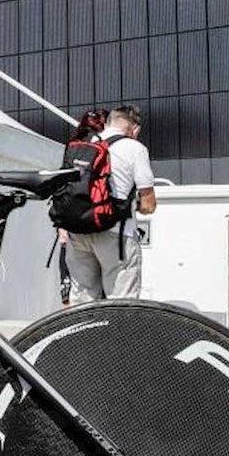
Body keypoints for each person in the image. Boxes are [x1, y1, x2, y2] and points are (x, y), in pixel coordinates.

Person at [63, 104, 155, 303]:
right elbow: (149, 204)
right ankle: (116, 334)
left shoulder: (85, 144)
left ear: (108, 122)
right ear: (135, 129)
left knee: (82, 297)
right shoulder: (135, 148)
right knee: (120, 301)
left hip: (78, 231)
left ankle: (81, 333)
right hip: (116, 233)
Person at [57, 109, 108, 306]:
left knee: (73, 290)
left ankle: (74, 329)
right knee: (102, 289)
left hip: (70, 225)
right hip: (98, 223)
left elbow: (62, 185)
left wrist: (61, 228)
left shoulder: (72, 146)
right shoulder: (103, 146)